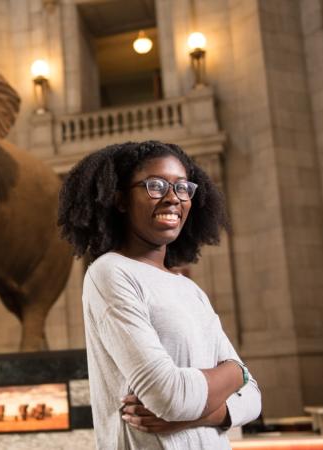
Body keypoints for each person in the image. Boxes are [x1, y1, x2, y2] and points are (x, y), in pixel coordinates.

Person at [58, 141, 261, 449]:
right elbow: (168, 396)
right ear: (121, 200)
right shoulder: (110, 273)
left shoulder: (190, 289)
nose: (172, 198)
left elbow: (253, 398)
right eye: (156, 186)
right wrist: (235, 372)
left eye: (182, 188)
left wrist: (196, 415)